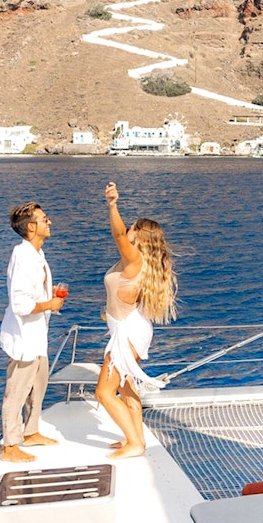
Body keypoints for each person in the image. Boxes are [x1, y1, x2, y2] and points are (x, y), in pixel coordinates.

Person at [94, 181, 177, 460]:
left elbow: (117, 234)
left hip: (128, 332)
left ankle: (134, 443)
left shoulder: (135, 260)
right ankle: (136, 438)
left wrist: (112, 205)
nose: (127, 229)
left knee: (104, 392)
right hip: (130, 328)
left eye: (132, 227)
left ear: (139, 235)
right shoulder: (135, 262)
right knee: (126, 388)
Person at [0, 202, 65, 464]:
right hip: (24, 338)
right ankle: (10, 446)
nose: (50, 222)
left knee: (38, 386)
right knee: (17, 392)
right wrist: (50, 304)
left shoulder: (37, 254)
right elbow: (21, 304)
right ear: (31, 228)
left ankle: (31, 432)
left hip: (38, 336)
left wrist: (49, 296)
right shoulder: (23, 256)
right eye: (44, 219)